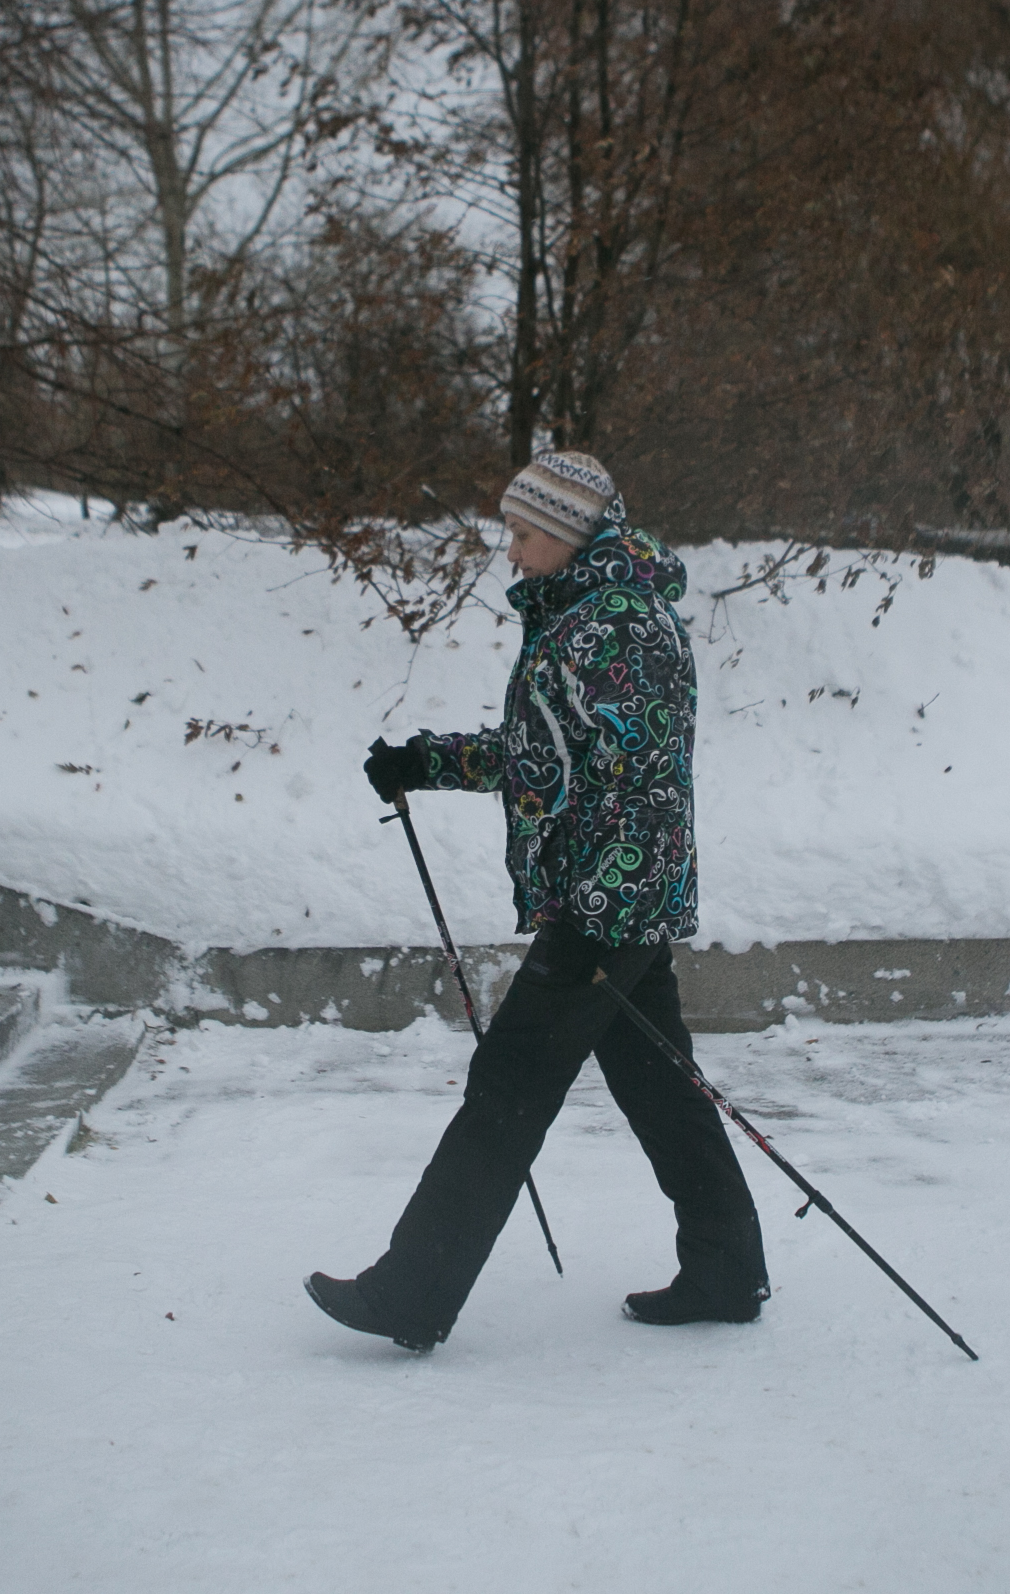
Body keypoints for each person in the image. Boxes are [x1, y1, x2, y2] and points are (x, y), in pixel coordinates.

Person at [307, 450, 768, 1351]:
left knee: (506, 1090)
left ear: (564, 531)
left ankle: (411, 1294)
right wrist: (425, 762)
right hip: (619, 896)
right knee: (659, 1088)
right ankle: (725, 1268)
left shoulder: (615, 625)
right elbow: (545, 750)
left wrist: (592, 904)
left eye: (521, 534)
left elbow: (592, 776)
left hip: (606, 904)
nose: (511, 552)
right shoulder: (594, 613)